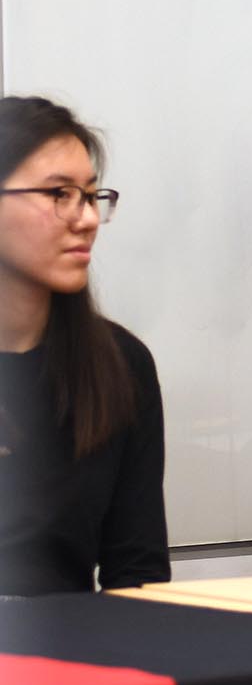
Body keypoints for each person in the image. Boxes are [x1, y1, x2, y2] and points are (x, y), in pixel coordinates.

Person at [0, 96, 169, 595]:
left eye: (91, 196)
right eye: (59, 194)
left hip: (74, 661)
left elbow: (137, 572)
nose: (88, 219)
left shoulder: (120, 365)